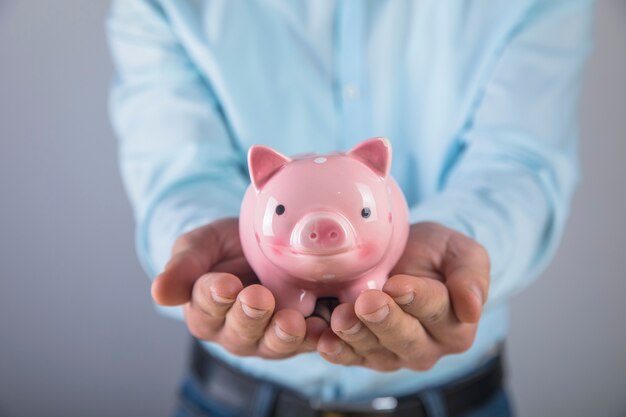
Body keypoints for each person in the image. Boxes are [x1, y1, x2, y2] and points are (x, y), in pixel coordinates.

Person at [107, 1, 593, 416]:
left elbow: (518, 162)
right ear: (265, 175)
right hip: (228, 395)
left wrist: (461, 244)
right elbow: (183, 168)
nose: (322, 230)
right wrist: (200, 242)